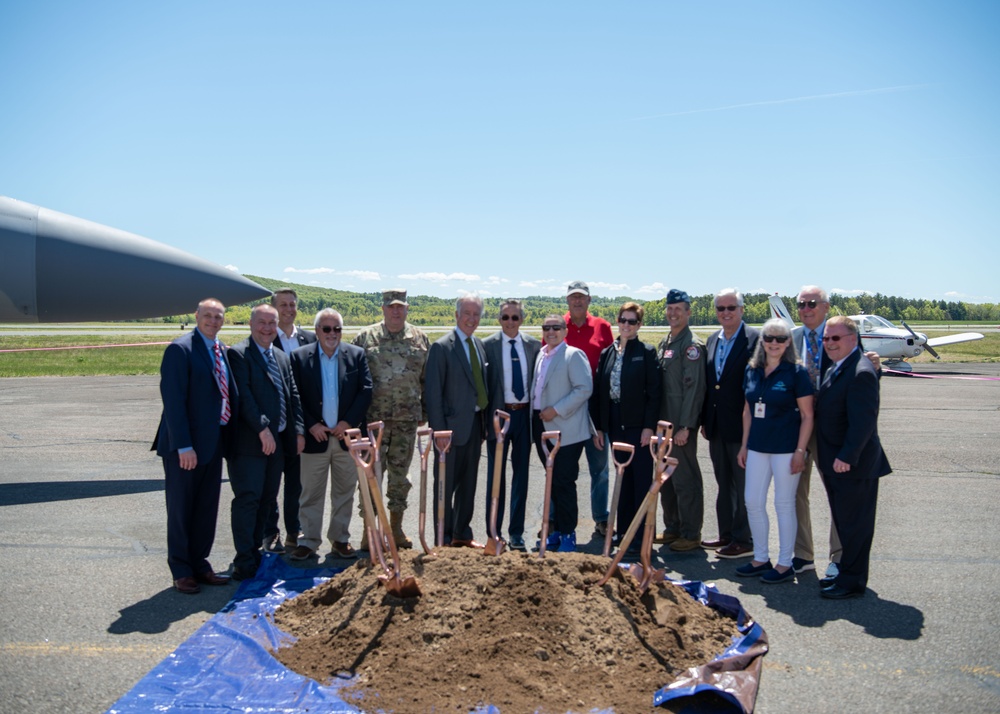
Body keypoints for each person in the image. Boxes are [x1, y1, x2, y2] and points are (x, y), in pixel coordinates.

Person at [152, 297, 236, 594]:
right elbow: (173, 402)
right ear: (196, 316)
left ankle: (200, 563)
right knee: (181, 509)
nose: (213, 321)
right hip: (185, 448)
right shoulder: (180, 349)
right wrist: (184, 446)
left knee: (205, 508)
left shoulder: (220, 349)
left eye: (219, 317)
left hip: (212, 443)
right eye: (208, 316)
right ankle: (181, 568)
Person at [226, 304, 305, 580]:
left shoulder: (281, 357)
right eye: (262, 323)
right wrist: (262, 428)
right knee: (248, 500)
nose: (267, 328)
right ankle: (244, 560)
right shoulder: (238, 354)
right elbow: (243, 396)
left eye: (272, 324)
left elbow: (292, 395)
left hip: (279, 445)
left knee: (267, 500)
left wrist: (297, 431)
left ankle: (257, 551)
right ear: (250, 324)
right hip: (249, 445)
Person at [815, 316, 891, 599]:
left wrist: (847, 456)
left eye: (835, 338)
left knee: (856, 527)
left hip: (852, 466)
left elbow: (864, 422)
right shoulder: (840, 367)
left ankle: (852, 583)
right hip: (836, 463)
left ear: (853, 339)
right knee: (846, 525)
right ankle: (846, 574)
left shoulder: (860, 372)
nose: (829, 344)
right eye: (825, 339)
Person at [734, 318, 814, 583]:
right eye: (769, 338)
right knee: (753, 502)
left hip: (786, 449)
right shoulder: (752, 370)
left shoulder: (797, 373)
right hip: (757, 446)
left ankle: (784, 563)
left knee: (783, 504)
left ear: (788, 342)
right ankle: (760, 558)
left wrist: (800, 451)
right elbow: (747, 411)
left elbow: (807, 415)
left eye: (780, 338)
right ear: (762, 341)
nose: (774, 343)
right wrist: (744, 445)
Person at [288, 309, 372, 561]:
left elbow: (366, 390)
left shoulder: (356, 355)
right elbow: (295, 396)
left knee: (344, 492)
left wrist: (348, 422)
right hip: (316, 439)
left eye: (337, 329)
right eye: (326, 329)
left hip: (347, 439)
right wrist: (311, 424)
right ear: (317, 331)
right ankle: (309, 541)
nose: (332, 334)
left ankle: (340, 540)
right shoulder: (299, 357)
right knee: (310, 493)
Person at [352, 289, 430, 549]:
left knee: (400, 478)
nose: (396, 311)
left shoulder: (420, 339)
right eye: (391, 307)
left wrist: (424, 413)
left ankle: (395, 529)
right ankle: (369, 531)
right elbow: (352, 379)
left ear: (407, 309)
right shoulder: (364, 338)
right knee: (371, 476)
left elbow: (426, 381)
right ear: (383, 309)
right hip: (374, 423)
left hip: (406, 422)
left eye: (400, 307)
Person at [591, 302, 659, 553]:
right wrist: (599, 427)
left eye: (632, 321)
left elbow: (654, 393)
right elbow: (599, 393)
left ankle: (641, 538)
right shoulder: (608, 353)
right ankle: (624, 532)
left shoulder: (646, 352)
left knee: (640, 482)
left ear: (639, 325)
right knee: (622, 480)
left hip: (637, 425)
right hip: (615, 424)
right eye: (623, 320)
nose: (626, 325)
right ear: (617, 322)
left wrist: (648, 427)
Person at [424, 295, 489, 548]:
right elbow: (433, 393)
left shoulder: (478, 345)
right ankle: (444, 537)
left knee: (468, 484)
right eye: (467, 313)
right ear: (456, 315)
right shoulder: (442, 347)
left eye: (476, 314)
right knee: (444, 486)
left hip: (474, 426)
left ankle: (462, 533)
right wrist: (440, 432)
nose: (471, 319)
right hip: (448, 432)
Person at [701, 288, 759, 559]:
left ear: (742, 310)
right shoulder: (712, 340)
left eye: (731, 308)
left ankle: (743, 539)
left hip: (742, 426)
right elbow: (710, 385)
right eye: (721, 309)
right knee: (723, 482)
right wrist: (704, 419)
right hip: (716, 426)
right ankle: (726, 534)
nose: (725, 313)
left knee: (743, 483)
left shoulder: (755, 340)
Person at [532, 314, 594, 552]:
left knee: (564, 482)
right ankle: (556, 530)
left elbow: (584, 389)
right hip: (542, 426)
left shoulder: (573, 355)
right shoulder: (542, 354)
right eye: (546, 327)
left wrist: (556, 410)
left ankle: (569, 533)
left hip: (565, 429)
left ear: (565, 330)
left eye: (556, 327)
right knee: (553, 481)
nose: (551, 331)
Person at [483, 298, 541, 551]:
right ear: (499, 320)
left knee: (521, 477)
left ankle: (516, 532)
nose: (510, 322)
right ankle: (493, 532)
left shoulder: (533, 346)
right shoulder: (487, 346)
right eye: (505, 317)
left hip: (523, 417)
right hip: (499, 416)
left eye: (515, 317)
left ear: (522, 319)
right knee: (495, 477)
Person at [264, 288, 317, 553]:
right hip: (274, 426)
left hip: (301, 425)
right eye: (283, 305)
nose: (288, 309)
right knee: (270, 483)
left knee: (297, 483)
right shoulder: (263, 339)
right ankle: (270, 532)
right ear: (274, 308)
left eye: (292, 304)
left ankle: (294, 531)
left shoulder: (310, 338)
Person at [655, 289, 707, 552]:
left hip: (680, 425)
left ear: (688, 312)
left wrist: (686, 426)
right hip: (663, 425)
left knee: (685, 479)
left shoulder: (691, 347)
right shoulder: (666, 343)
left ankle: (691, 532)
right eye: (670, 308)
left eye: (679, 308)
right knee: (666, 479)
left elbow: (695, 389)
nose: (673, 313)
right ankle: (673, 527)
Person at [563, 280, 614, 535]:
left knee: (600, 468)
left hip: (595, 407)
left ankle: (601, 517)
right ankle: (556, 518)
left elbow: (611, 365)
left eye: (582, 297)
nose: (577, 301)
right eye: (573, 297)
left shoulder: (602, 327)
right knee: (564, 469)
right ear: (567, 301)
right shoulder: (560, 326)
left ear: (589, 300)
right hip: (568, 407)